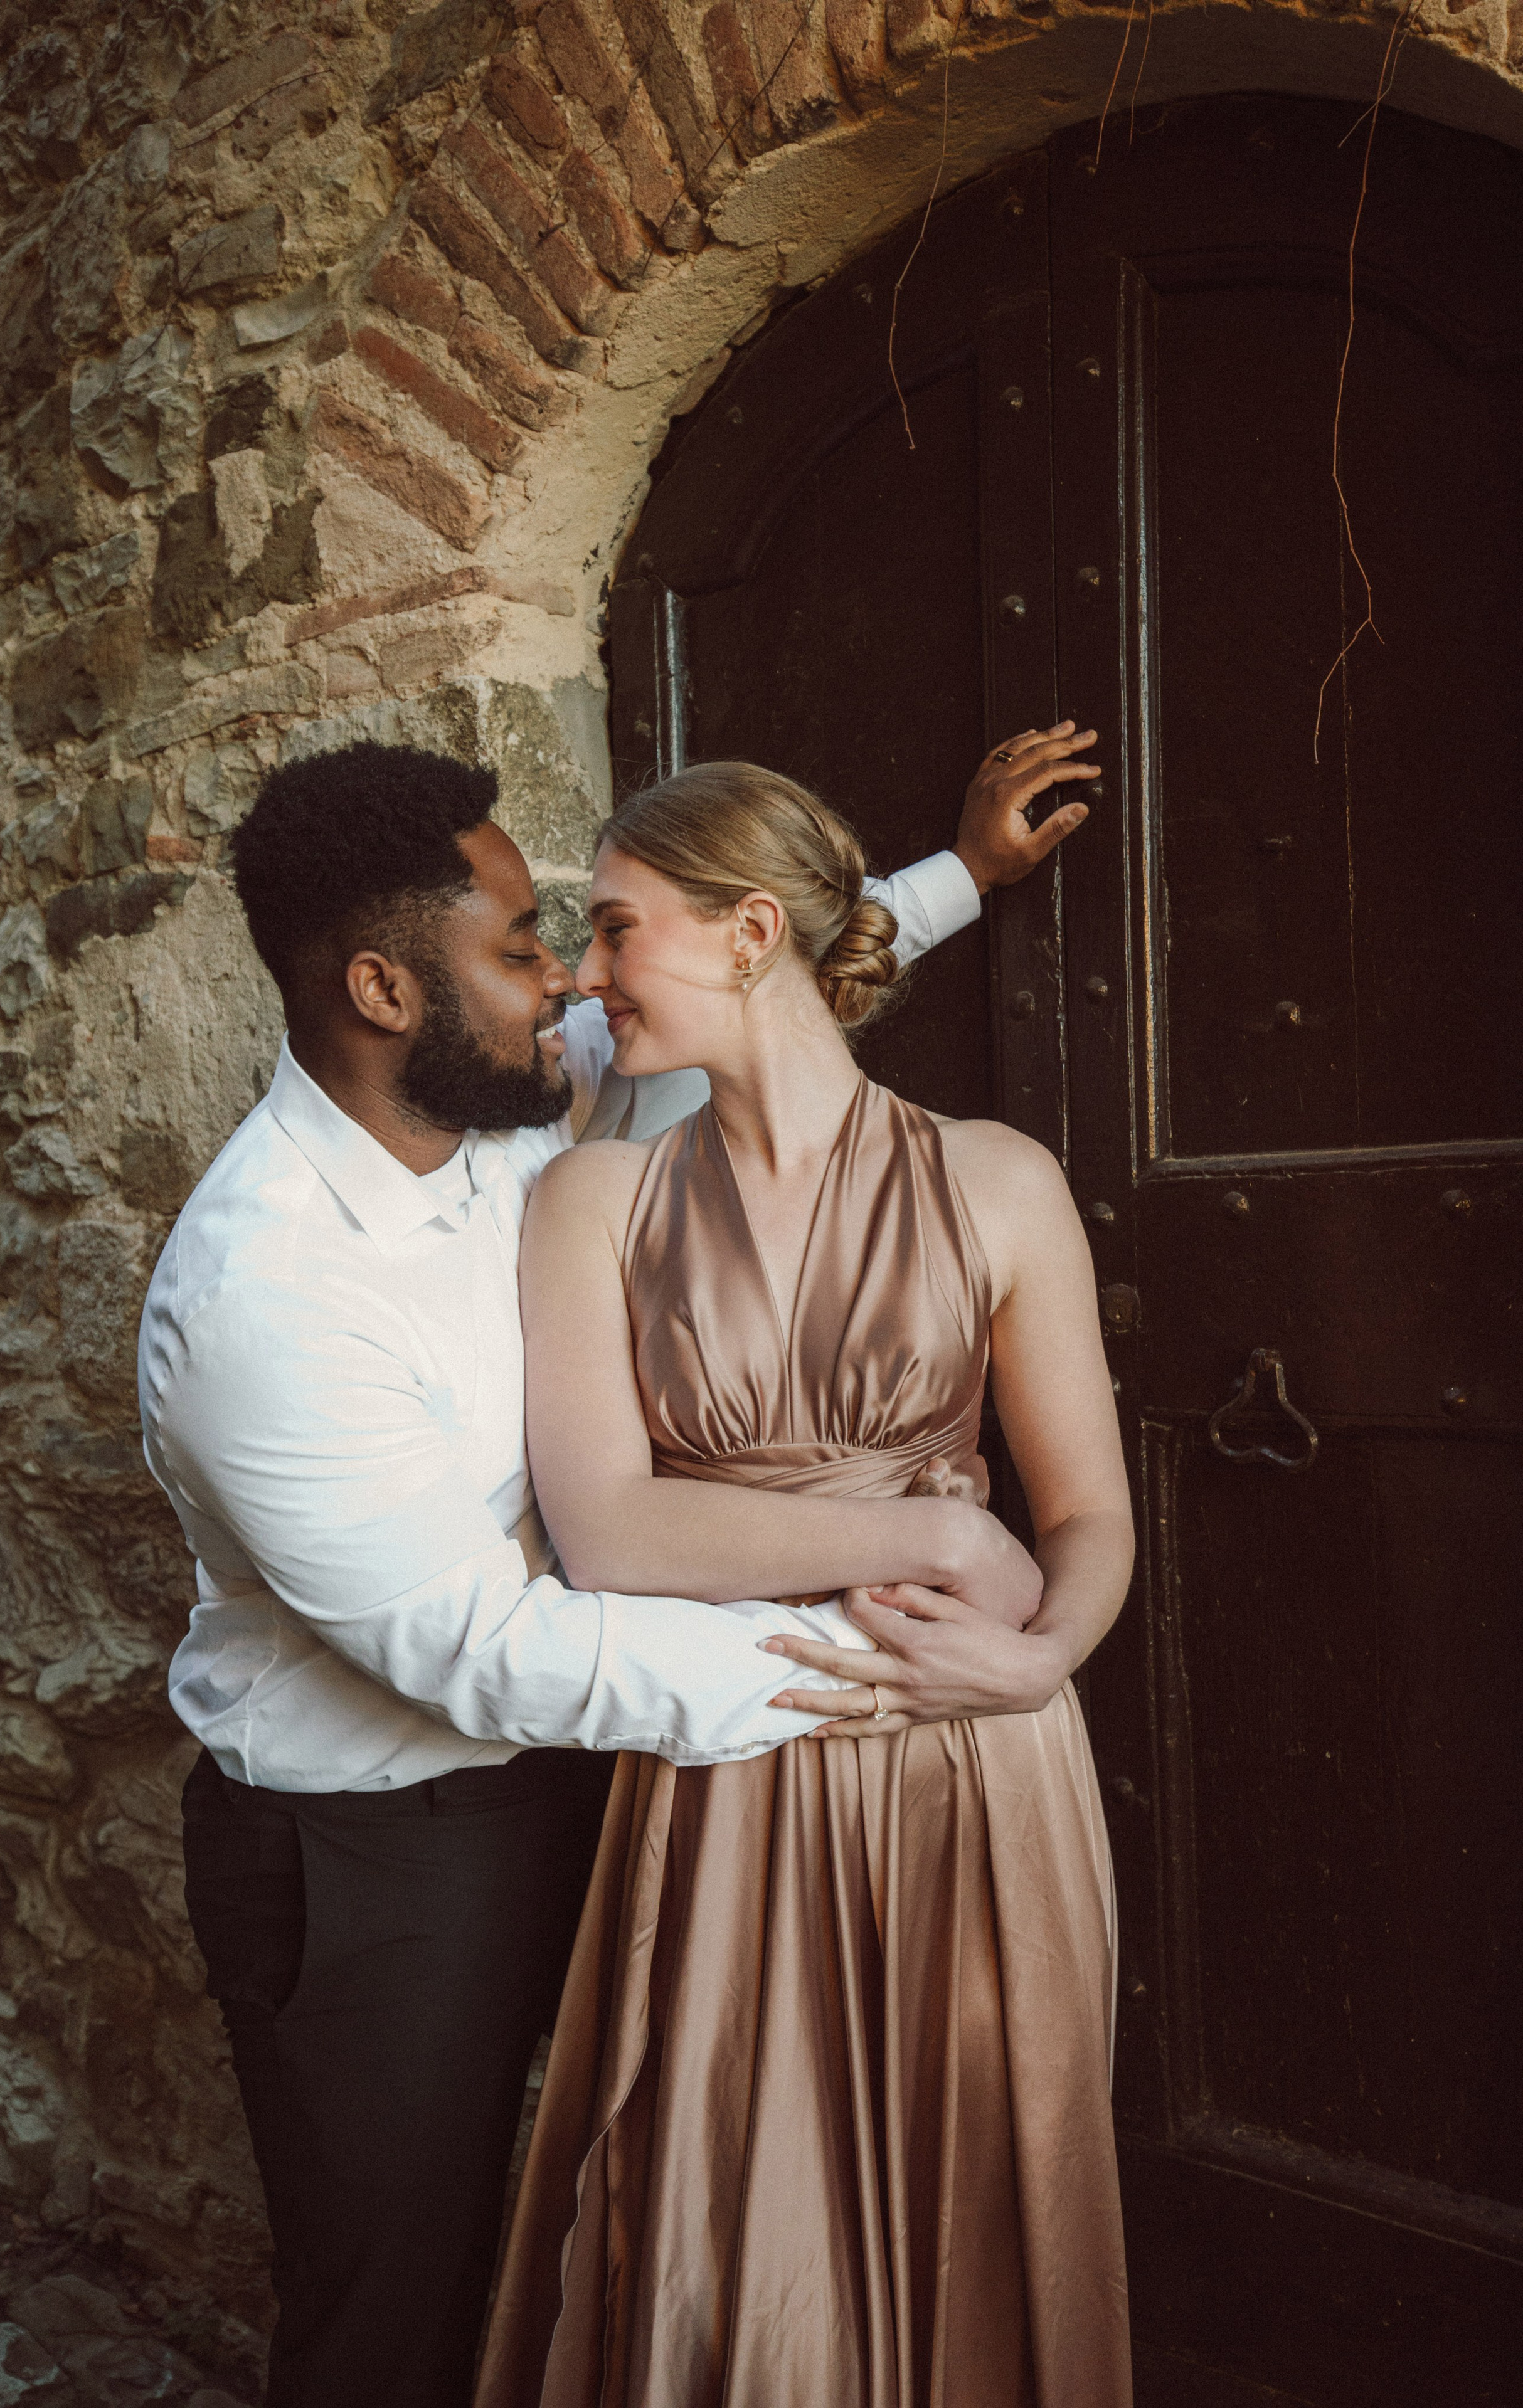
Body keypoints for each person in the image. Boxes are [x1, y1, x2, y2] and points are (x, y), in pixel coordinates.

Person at [138, 729, 1099, 2408]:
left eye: (573, 938)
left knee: (627, 2223)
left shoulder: (511, 1105)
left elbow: (753, 970)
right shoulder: (260, 1296)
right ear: (382, 989)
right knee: (391, 2309)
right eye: (522, 948)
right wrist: (883, 1656)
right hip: (382, 1852)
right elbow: (484, 1648)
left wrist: (964, 878)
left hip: (609, 1780)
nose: (562, 987)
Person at [476, 760, 1134, 2408]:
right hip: (732, 1767)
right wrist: (922, 1535)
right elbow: (613, 1531)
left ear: (751, 932)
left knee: (984, 2220)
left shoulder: (1001, 1180)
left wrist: (1043, 1661)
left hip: (979, 1769)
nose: (582, 970)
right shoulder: (596, 1199)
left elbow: (1095, 1523)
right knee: (723, 2245)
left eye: (616, 929)